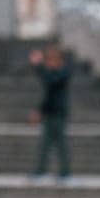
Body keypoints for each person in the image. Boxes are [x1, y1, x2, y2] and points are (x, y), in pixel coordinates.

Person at [29, 43, 73, 182]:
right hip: (50, 113)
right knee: (45, 144)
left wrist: (39, 66)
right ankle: (41, 171)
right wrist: (40, 111)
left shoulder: (63, 73)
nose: (48, 64)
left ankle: (65, 173)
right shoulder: (54, 73)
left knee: (60, 144)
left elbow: (51, 81)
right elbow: (48, 95)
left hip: (58, 113)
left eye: (50, 60)